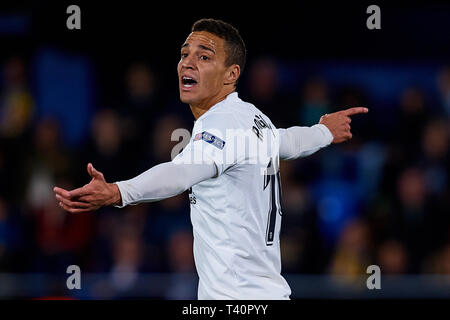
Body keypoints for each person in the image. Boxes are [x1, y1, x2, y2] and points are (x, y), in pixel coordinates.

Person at [54, 18, 368, 299]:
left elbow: (181, 173)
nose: (187, 63)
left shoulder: (221, 123)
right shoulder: (252, 117)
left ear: (231, 74)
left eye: (203, 57)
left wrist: (118, 192)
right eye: (184, 54)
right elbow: (285, 141)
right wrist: (324, 132)